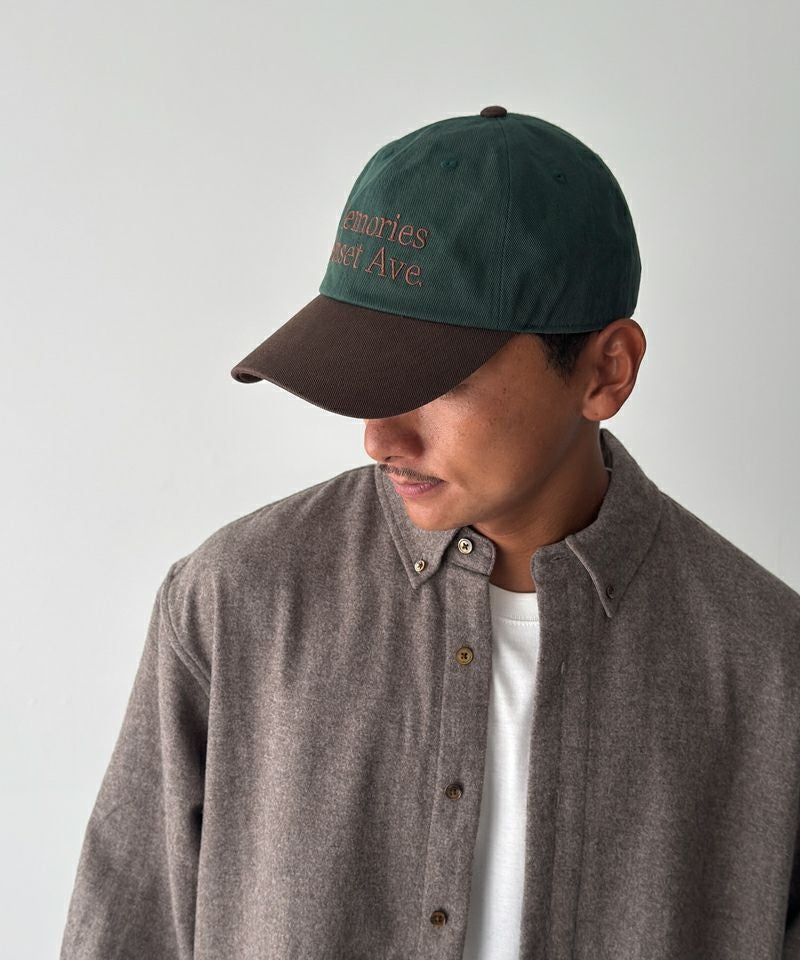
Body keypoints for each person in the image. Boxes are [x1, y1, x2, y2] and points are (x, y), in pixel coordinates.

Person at [60, 106, 800, 960]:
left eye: (437, 379)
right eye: (367, 369)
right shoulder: (235, 604)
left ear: (606, 370)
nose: (379, 438)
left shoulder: (769, 673)